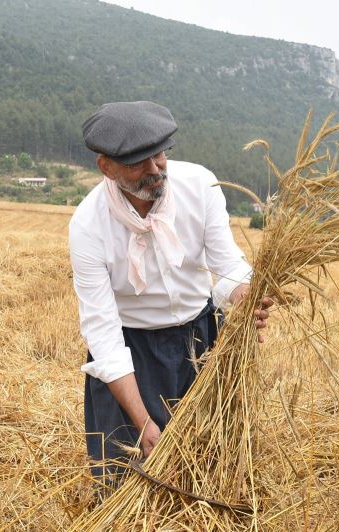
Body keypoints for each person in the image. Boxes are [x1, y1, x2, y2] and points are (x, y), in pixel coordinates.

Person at [69, 101, 272, 486]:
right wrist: (144, 422)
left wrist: (245, 295)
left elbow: (228, 267)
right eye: (136, 163)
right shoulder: (88, 225)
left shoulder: (200, 186)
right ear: (106, 167)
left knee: (209, 471)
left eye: (159, 155)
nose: (154, 170)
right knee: (127, 482)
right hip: (131, 356)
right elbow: (103, 334)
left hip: (201, 344)